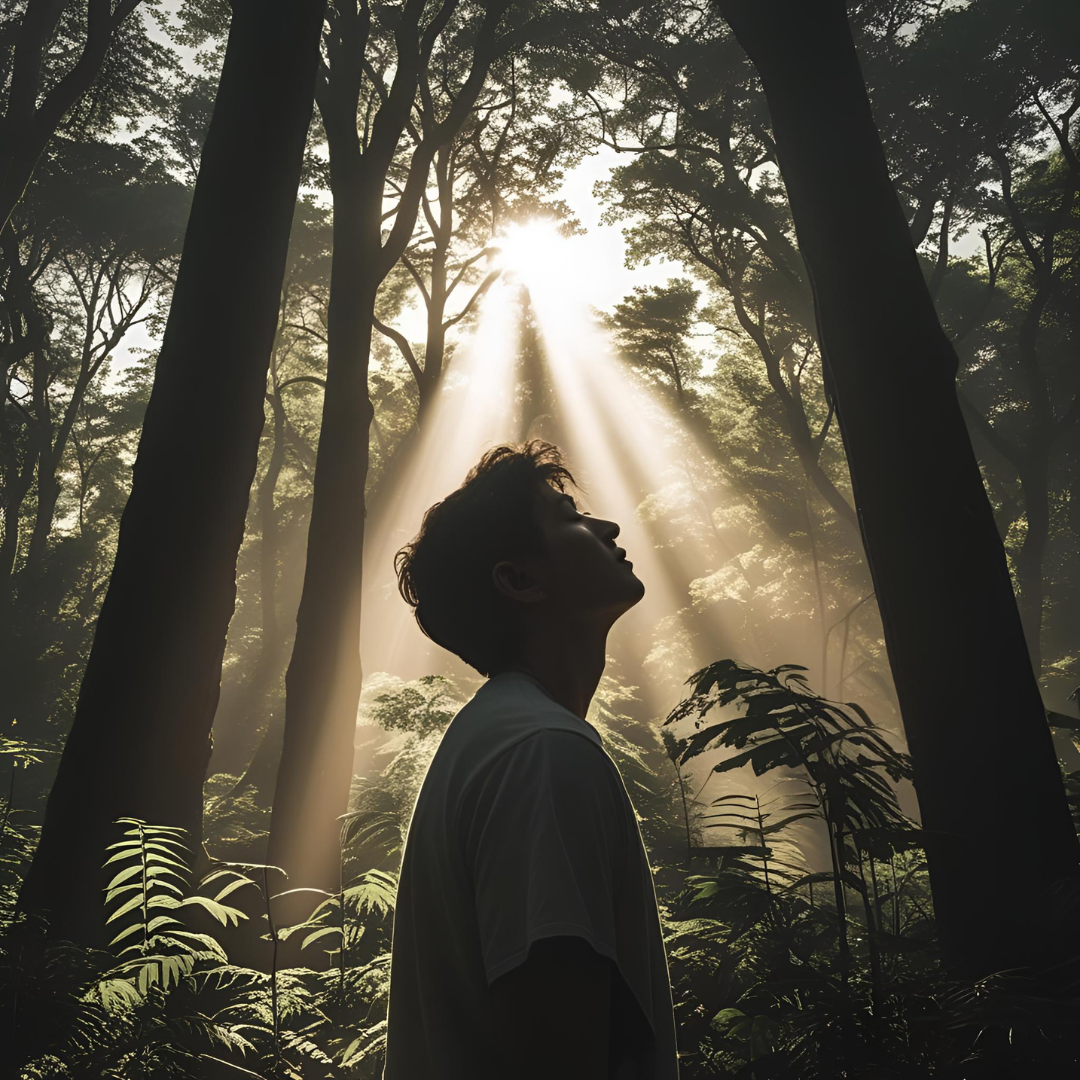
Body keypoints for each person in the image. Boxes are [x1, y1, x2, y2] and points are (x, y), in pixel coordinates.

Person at [381, 440, 680, 1080]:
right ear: (520, 580)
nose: (607, 526)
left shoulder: (502, 736)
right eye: (569, 517)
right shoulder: (540, 754)